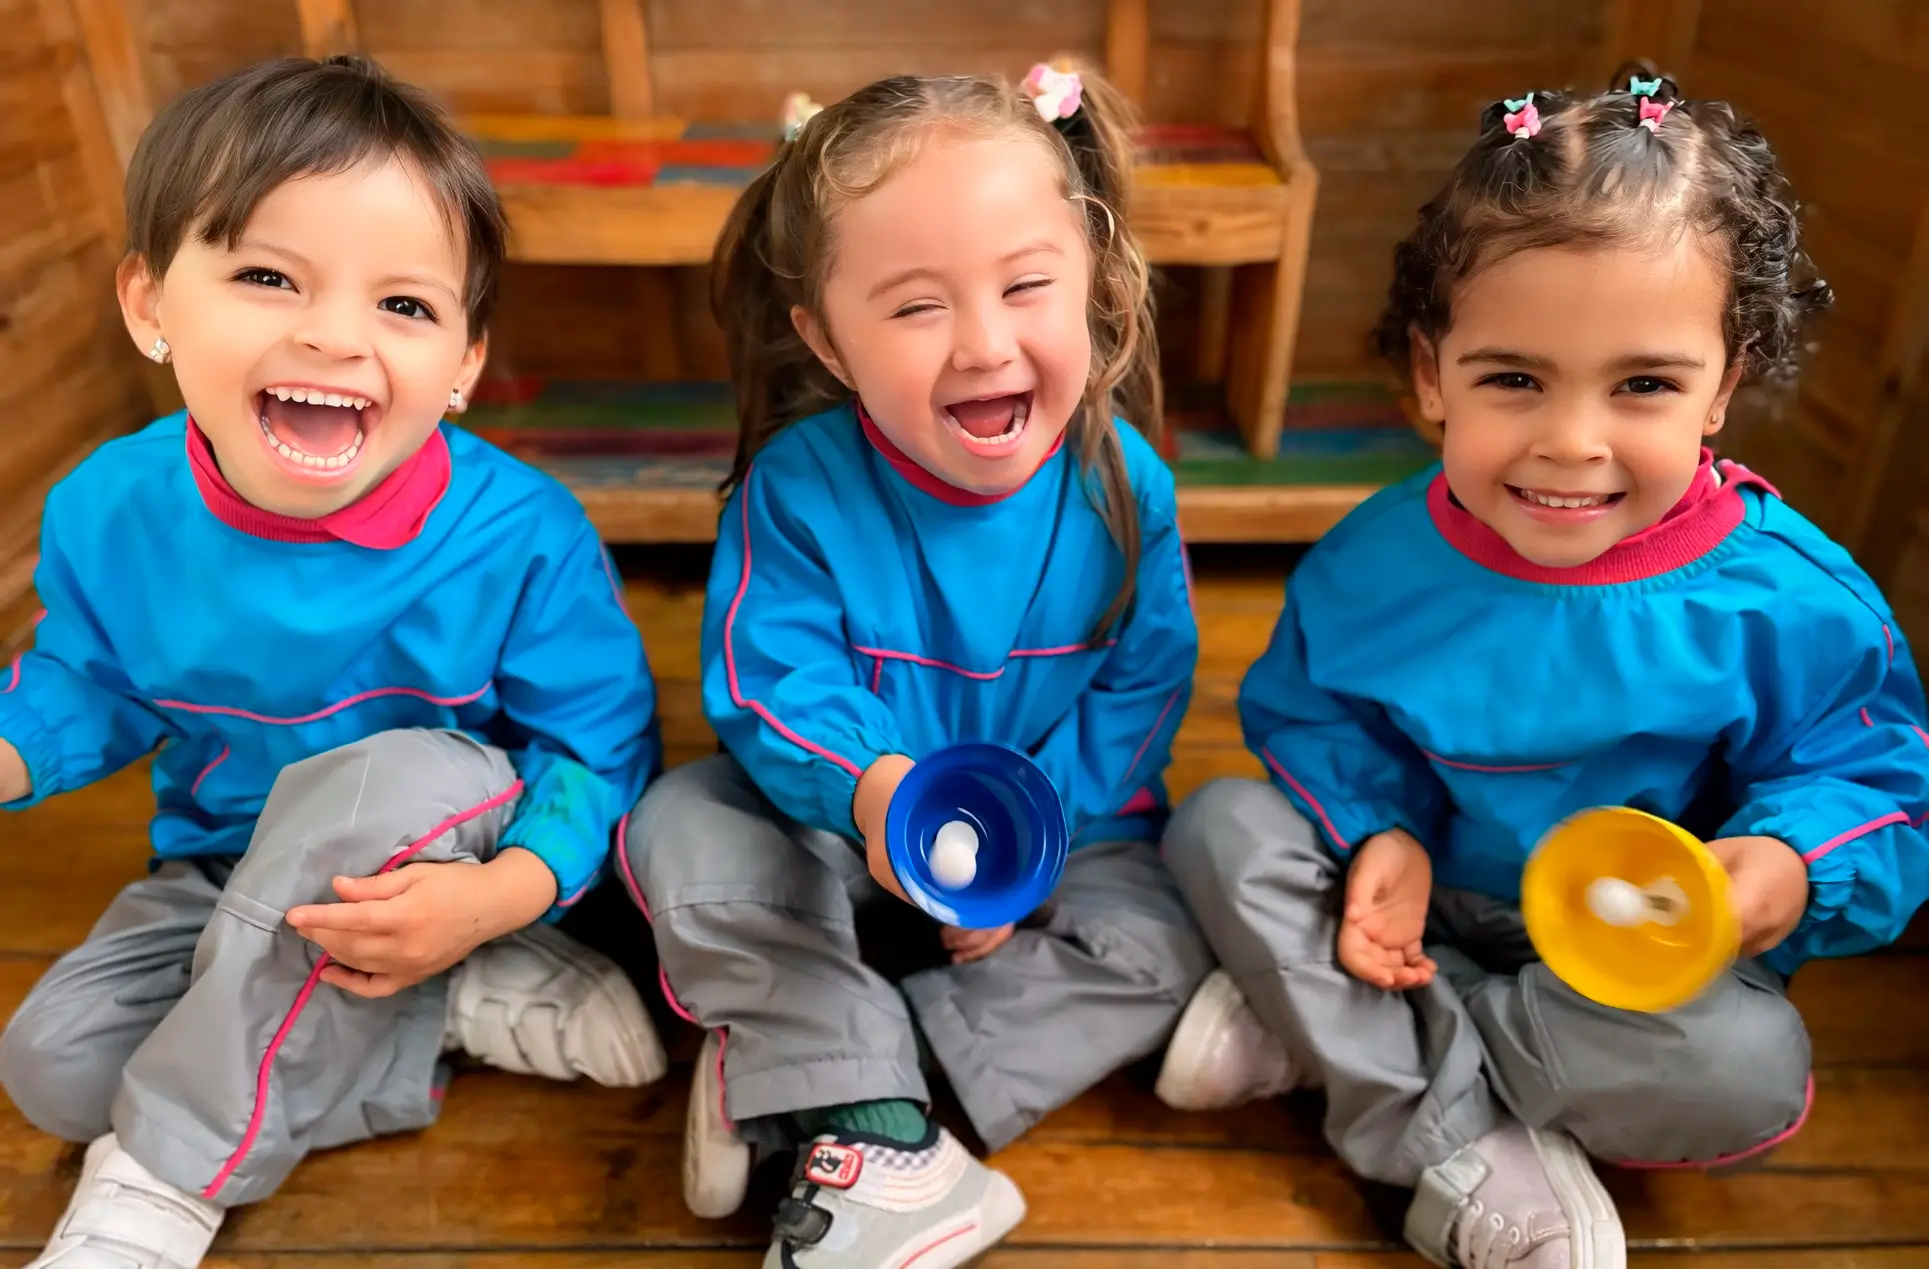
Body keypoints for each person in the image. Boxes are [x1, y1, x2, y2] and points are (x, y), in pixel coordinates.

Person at [1152, 74, 1929, 1269]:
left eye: (1645, 385)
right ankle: (1450, 1112)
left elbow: (1873, 777)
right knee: (1219, 828)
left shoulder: (1788, 599)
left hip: (1631, 967)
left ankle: (1337, 1042)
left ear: (1725, 382)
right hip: (1416, 901)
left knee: (1746, 1076)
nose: (1572, 441)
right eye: (1514, 378)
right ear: (1431, 374)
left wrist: (1783, 864)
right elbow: (1316, 711)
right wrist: (1383, 832)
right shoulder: (1377, 556)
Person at [0, 56, 665, 1269]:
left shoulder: (520, 532)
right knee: (56, 1064)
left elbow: (596, 745)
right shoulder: (109, 507)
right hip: (225, 869)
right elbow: (86, 681)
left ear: (464, 364)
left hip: (438, 861)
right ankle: (431, 1018)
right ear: (152, 306)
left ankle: (158, 1185)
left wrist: (502, 897)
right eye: (266, 276)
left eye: (404, 306)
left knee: (384, 777)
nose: (332, 334)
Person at [616, 61, 1212, 1269]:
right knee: (679, 829)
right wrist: (874, 790)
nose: (984, 345)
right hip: (840, 830)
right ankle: (875, 1125)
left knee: (1169, 936)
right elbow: (767, 682)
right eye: (916, 307)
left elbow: (1142, 687)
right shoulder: (799, 488)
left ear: (1090, 283)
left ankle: (825, 1087)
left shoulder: (1124, 485)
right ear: (827, 342)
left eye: (1026, 286)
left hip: (1050, 850)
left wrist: (1031, 853)